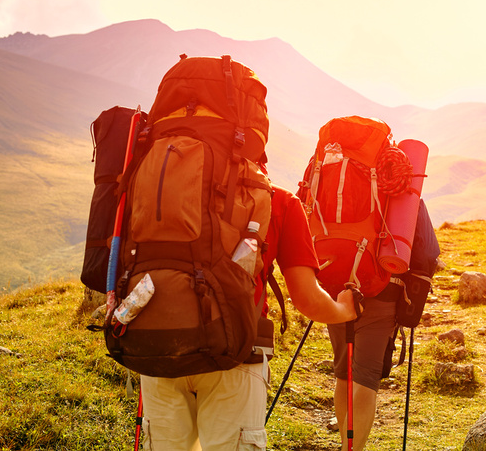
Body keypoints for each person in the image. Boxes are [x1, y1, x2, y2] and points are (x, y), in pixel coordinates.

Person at [139, 183, 359, 451]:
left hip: (158, 348)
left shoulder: (157, 187)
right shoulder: (278, 201)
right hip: (239, 352)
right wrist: (345, 311)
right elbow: (308, 299)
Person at [327, 283, 399, 451]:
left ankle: (346, 444)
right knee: (366, 380)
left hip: (338, 292)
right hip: (384, 295)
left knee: (344, 374)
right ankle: (349, 448)